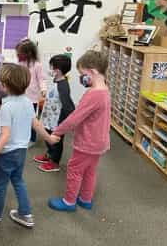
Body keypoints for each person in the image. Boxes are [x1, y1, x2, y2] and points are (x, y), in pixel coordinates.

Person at [0, 64, 52, 228]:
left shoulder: (7, 107)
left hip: (7, 154)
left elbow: (5, 136)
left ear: (4, 85)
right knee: (18, 181)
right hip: (21, 151)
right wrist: (50, 139)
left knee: (0, 184)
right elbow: (37, 124)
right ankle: (26, 214)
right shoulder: (27, 102)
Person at [47, 51, 111, 212]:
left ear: (93, 72)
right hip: (99, 141)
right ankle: (85, 199)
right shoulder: (105, 90)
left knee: (75, 169)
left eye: (83, 74)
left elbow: (74, 118)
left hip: (87, 142)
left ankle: (69, 202)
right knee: (90, 171)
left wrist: (57, 132)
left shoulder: (93, 94)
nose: (81, 78)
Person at [34, 55, 75, 172]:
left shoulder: (63, 86)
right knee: (47, 135)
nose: (50, 69)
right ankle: (49, 155)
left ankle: (55, 162)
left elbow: (67, 105)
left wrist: (68, 122)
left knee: (56, 140)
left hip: (57, 120)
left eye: (51, 67)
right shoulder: (57, 80)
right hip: (50, 116)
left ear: (57, 70)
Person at [16, 39, 46, 147]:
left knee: (31, 119)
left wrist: (43, 89)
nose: (18, 54)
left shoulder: (37, 65)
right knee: (20, 117)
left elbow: (42, 79)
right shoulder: (20, 63)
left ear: (28, 53)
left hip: (32, 97)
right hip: (20, 95)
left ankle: (32, 139)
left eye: (21, 52)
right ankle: (21, 135)